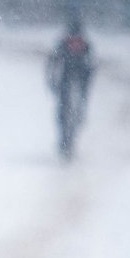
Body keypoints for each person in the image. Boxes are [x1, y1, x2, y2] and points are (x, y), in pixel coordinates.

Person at [47, 20, 96, 159]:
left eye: (77, 40)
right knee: (62, 111)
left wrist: (86, 84)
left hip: (80, 79)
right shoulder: (62, 45)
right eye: (72, 39)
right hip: (65, 79)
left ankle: (71, 136)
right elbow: (53, 63)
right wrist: (52, 81)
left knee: (77, 109)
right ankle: (64, 139)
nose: (75, 43)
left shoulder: (86, 47)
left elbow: (91, 68)